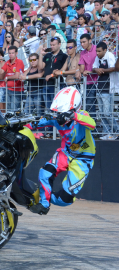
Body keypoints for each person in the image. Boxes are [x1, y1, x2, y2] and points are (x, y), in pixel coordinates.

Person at [28, 87, 95, 215]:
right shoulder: (56, 118)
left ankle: (48, 195)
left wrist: (73, 115)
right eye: (57, 112)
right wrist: (14, 122)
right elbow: (35, 123)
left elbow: (92, 124)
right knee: (44, 173)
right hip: (66, 153)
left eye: (61, 112)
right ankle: (44, 203)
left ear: (74, 108)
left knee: (64, 200)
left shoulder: (82, 115)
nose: (58, 115)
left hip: (83, 158)